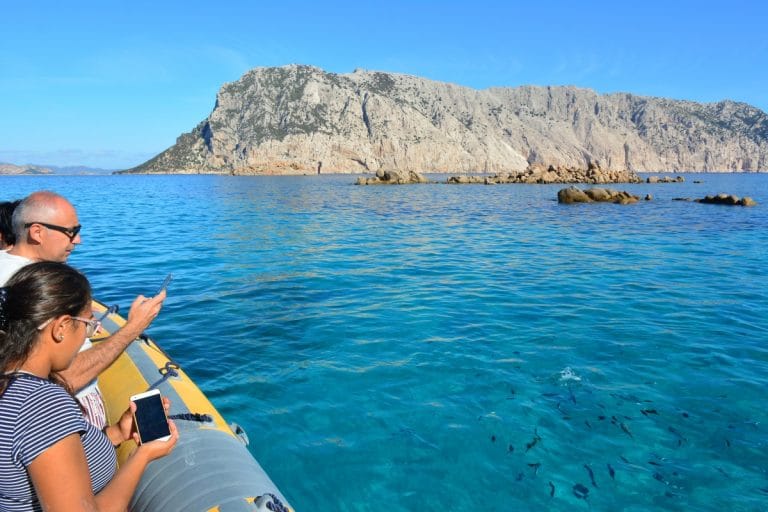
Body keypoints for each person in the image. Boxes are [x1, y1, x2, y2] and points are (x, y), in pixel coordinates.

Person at [0, 261, 178, 511]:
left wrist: (116, 433)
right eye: (87, 323)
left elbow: (45, 452)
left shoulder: (12, 385)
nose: (90, 333)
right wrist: (144, 455)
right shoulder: (42, 404)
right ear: (61, 327)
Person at [0, 191, 166, 428]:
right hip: (63, 419)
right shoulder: (28, 283)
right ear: (37, 232)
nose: (78, 240)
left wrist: (83, 326)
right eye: (71, 232)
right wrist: (134, 327)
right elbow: (64, 378)